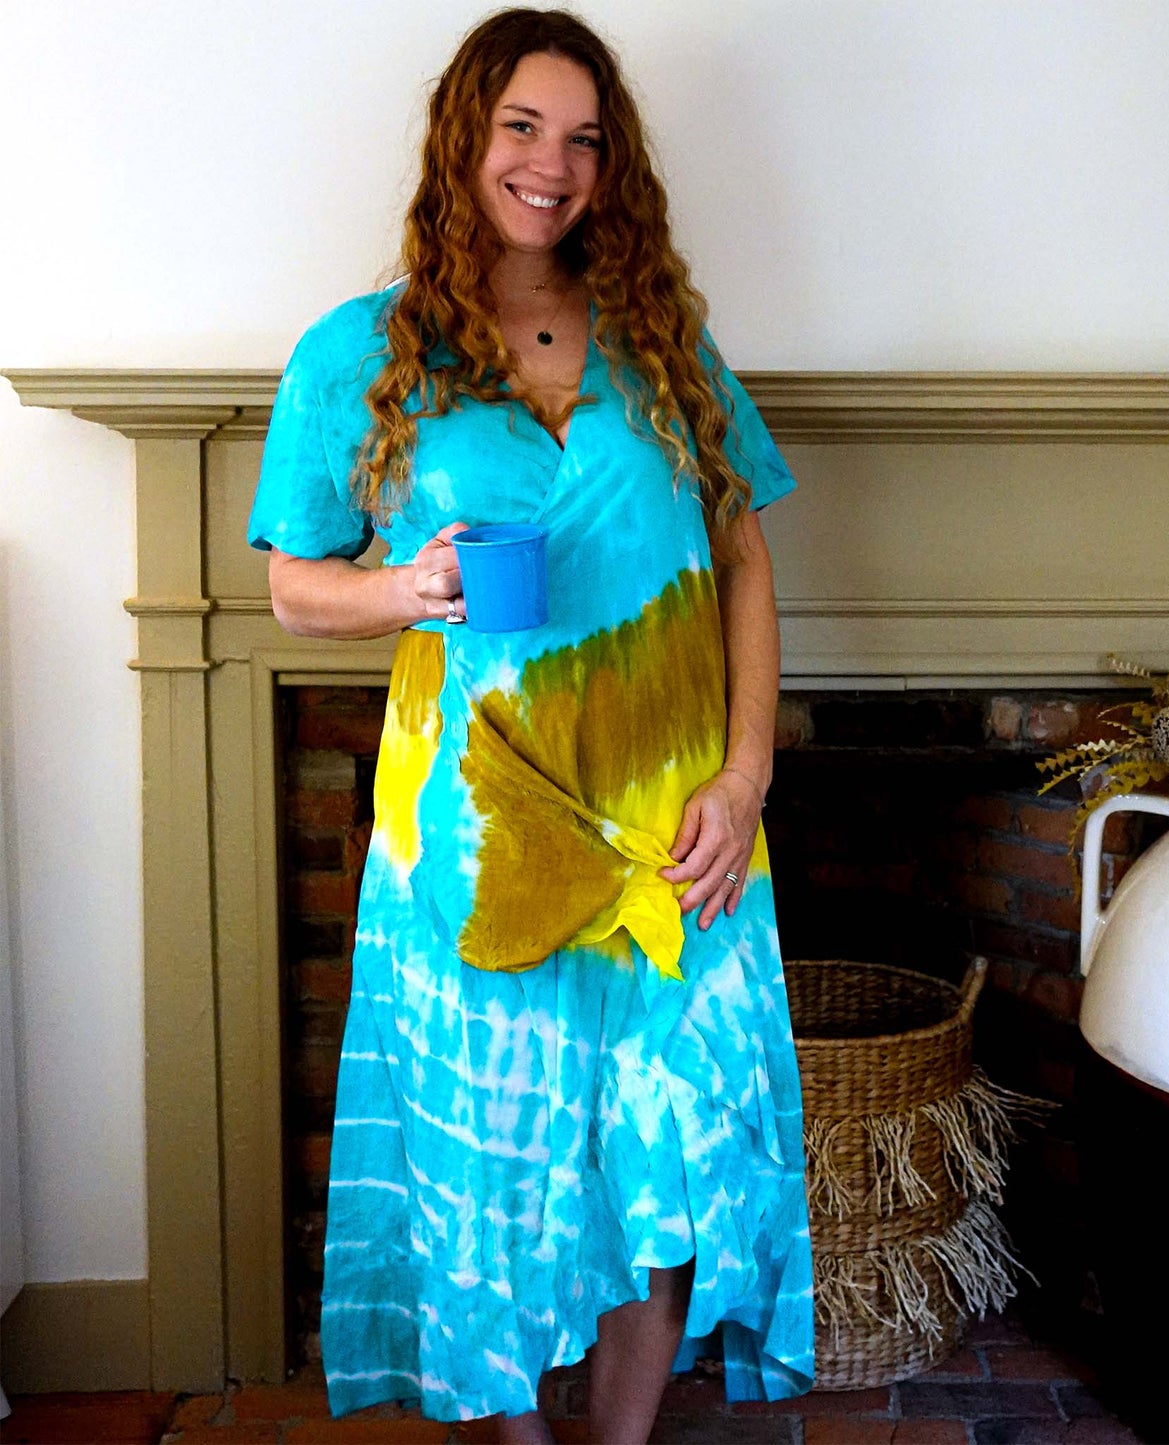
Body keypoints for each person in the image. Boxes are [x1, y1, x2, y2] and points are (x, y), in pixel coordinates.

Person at [247, 8, 813, 1442]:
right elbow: (293, 588)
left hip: (678, 832)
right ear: (464, 136)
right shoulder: (356, 354)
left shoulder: (660, 340)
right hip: (474, 843)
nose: (551, 165)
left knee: (666, 1172)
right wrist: (403, 589)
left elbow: (742, 557)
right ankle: (511, 1434)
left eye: (582, 139)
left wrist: (746, 774)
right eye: (521, 128)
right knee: (491, 1173)